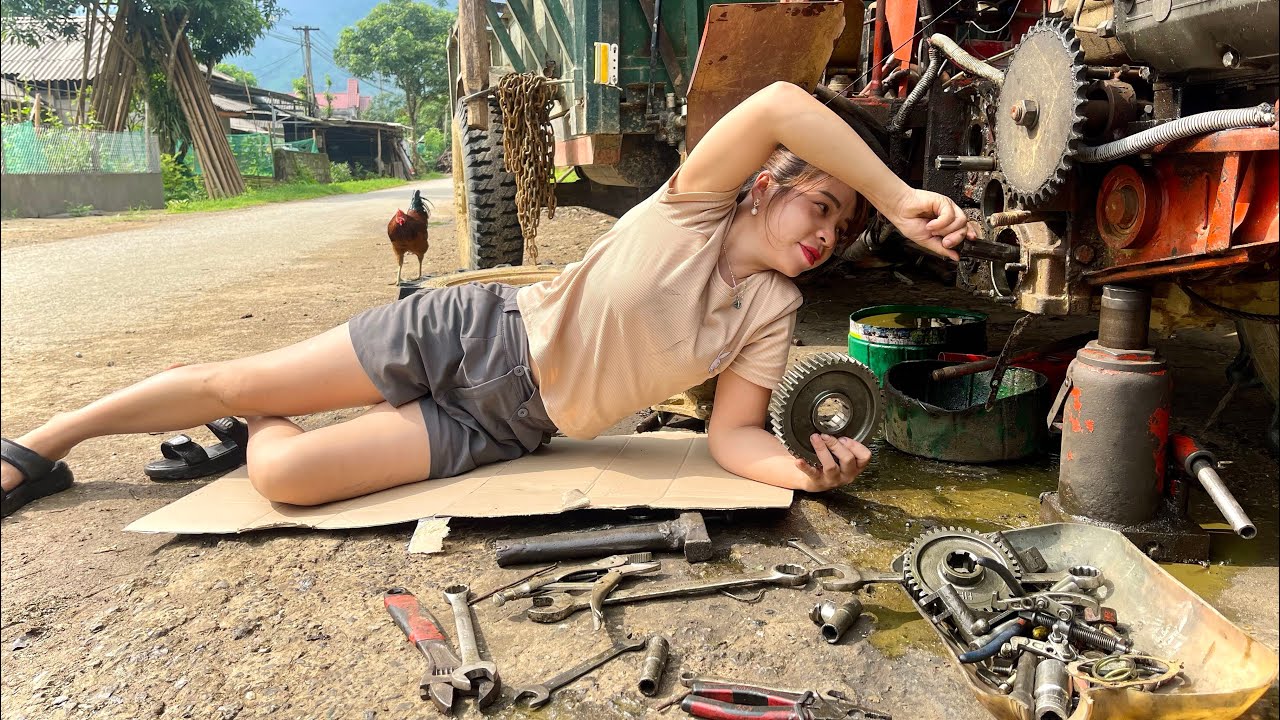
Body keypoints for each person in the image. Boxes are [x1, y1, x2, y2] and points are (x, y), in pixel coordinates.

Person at [0, 82, 972, 517]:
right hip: (465, 339)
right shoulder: (696, 208)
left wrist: (804, 471)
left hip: (510, 427)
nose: (827, 231)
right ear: (765, 184)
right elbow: (772, 106)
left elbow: (732, 438)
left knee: (283, 484)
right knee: (230, 376)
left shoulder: (765, 314)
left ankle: (267, 418)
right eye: (822, 202)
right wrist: (890, 193)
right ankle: (45, 445)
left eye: (843, 229)